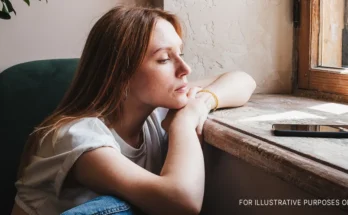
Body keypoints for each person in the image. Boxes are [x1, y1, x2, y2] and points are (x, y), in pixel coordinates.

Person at [11, 5, 256, 215]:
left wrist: (203, 102)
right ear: (120, 74)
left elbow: (243, 80)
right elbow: (183, 201)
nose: (186, 68)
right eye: (164, 59)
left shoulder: (156, 105)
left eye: (180, 53)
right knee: (117, 206)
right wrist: (184, 122)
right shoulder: (78, 138)